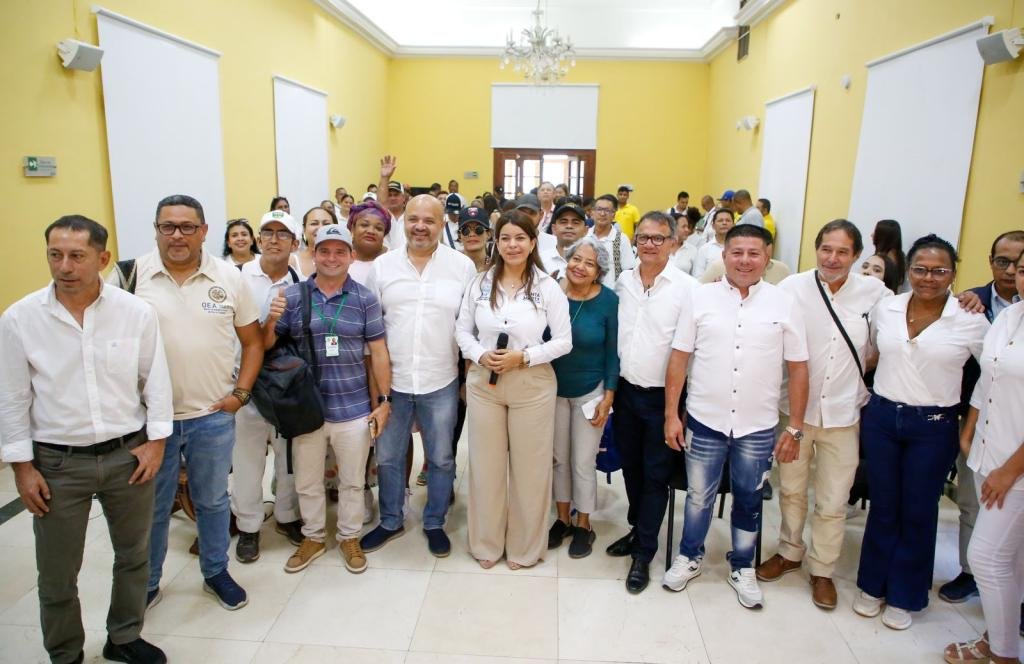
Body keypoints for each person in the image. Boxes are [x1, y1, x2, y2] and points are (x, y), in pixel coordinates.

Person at [0, 215, 173, 664]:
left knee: (134, 556)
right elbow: (13, 398)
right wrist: (22, 466)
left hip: (127, 456)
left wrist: (156, 443)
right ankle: (65, 654)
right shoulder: (20, 319)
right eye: (55, 255)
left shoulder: (134, 313)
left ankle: (124, 636)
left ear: (103, 258)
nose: (65, 267)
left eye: (77, 256)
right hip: (58, 464)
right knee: (57, 574)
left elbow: (155, 381)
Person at [111, 195, 263, 612]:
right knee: (153, 507)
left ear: (204, 231)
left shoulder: (229, 277)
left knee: (212, 501)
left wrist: (240, 395)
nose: (177, 235)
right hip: (148, 424)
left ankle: (215, 572)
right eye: (167, 226)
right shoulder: (129, 276)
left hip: (211, 416)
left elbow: (252, 343)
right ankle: (149, 581)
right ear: (157, 229)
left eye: (187, 226)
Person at [662, 224, 809, 610]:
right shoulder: (700, 298)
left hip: (756, 427)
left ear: (767, 256)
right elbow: (679, 359)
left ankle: (742, 565)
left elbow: (798, 369)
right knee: (697, 497)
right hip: (704, 420)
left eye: (753, 253)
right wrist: (671, 416)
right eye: (736, 252)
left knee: (749, 498)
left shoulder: (783, 303)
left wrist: (795, 427)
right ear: (723, 255)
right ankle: (689, 556)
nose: (745, 260)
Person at [854, 234, 988, 630]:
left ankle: (905, 595)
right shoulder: (888, 307)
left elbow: (995, 370)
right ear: (908, 270)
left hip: (933, 427)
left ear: (953, 274)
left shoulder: (970, 318)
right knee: (883, 505)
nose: (929, 278)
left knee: (918, 510)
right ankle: (872, 585)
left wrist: (975, 421)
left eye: (939, 271)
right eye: (920, 269)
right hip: (882, 418)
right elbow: (873, 353)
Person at [755, 220, 891, 610]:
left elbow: (887, 340)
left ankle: (823, 569)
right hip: (794, 413)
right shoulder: (792, 289)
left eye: (843, 252)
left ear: (857, 256)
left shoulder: (874, 293)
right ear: (816, 250)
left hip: (844, 414)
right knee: (792, 488)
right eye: (826, 249)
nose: (833, 258)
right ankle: (789, 552)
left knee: (833, 498)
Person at [264, 224, 392, 574]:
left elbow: (379, 352)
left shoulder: (365, 299)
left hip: (353, 409)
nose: (332, 258)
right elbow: (264, 348)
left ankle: (349, 536)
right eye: (324, 251)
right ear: (312, 255)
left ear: (351, 256)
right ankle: (314, 537)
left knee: (353, 480)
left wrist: (384, 400)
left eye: (340, 251)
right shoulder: (292, 297)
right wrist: (270, 320)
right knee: (307, 482)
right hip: (307, 410)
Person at [360, 195, 476, 558]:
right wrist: (374, 391)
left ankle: (435, 521)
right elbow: (370, 333)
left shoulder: (461, 267)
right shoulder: (382, 267)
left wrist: (465, 381)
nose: (420, 226)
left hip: (441, 379)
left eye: (429, 220)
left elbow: (470, 325)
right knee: (389, 457)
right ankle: (391, 519)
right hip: (391, 382)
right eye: (414, 219)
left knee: (441, 458)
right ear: (403, 222)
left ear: (443, 224)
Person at [455, 210, 572, 569]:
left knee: (530, 469)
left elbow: (564, 342)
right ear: (496, 242)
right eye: (505, 238)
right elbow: (462, 332)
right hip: (484, 383)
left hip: (532, 384)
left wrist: (523, 357)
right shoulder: (479, 283)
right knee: (486, 467)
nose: (512, 245)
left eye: (520, 238)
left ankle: (524, 548)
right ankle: (487, 544)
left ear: (533, 242)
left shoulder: (547, 286)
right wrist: (479, 354)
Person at [606, 211, 698, 594]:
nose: (649, 244)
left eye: (658, 238)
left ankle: (644, 553)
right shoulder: (622, 281)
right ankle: (636, 528)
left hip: (665, 398)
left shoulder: (687, 289)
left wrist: (674, 412)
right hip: (625, 392)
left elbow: (687, 351)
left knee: (656, 477)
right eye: (642, 237)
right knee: (631, 469)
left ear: (673, 243)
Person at [943, 250, 1024, 664]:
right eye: (1022, 269)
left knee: (986, 556)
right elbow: (985, 379)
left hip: (1016, 467)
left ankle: (1004, 654)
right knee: (1011, 558)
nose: (1019, 276)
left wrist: (1010, 470)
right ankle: (998, 638)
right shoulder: (1009, 318)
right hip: (987, 450)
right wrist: (970, 431)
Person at [231, 210, 305, 563]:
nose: (275, 239)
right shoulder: (236, 277)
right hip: (245, 383)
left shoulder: (301, 281)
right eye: (268, 232)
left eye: (283, 233)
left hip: (285, 383)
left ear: (295, 242)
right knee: (246, 458)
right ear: (259, 239)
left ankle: (288, 516)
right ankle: (248, 526)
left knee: (288, 456)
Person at [548, 236, 619, 559]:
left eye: (589, 263)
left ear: (599, 271)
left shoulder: (608, 301)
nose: (580, 266)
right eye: (576, 259)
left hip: (591, 392)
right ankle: (562, 518)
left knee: (582, 462)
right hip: (551, 391)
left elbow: (612, 353)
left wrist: (609, 395)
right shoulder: (551, 292)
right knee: (559, 459)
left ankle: (584, 524)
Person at [698, 234, 791, 285]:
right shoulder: (718, 268)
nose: (745, 261)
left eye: (767, 258)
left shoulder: (782, 270)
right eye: (753, 254)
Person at [588, 193, 636, 288]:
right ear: (592, 213)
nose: (602, 214)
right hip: (585, 294)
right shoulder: (584, 236)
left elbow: (629, 270)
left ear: (613, 214)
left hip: (613, 295)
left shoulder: (621, 239)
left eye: (607, 210)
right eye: (599, 209)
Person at [347, 200, 391, 285]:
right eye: (364, 225)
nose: (371, 231)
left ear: (384, 234)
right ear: (352, 228)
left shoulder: (393, 260)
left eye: (378, 228)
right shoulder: (338, 257)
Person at [541, 202, 588, 278]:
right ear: (554, 229)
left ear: (585, 231)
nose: (569, 226)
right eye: (563, 222)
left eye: (575, 222)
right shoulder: (541, 260)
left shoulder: (592, 262)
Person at [692, 208, 734, 279]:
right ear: (713, 226)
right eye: (720, 221)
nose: (724, 223)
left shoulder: (741, 249)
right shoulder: (704, 249)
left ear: (733, 225)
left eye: (728, 220)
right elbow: (697, 277)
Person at [296, 206, 338, 277]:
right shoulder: (291, 262)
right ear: (304, 229)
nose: (320, 228)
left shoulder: (344, 261)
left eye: (326, 224)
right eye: (314, 223)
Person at [377, 155, 409, 249]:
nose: (392, 198)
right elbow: (380, 204)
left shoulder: (411, 216)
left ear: (403, 198)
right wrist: (384, 177)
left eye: (396, 195)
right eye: (389, 195)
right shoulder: (382, 215)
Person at [871, 219, 906, 288]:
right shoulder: (902, 258)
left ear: (882, 236)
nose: (872, 235)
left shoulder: (881, 260)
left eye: (875, 232)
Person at [458, 206, 492, 272]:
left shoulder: (496, 268)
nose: (472, 234)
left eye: (478, 229)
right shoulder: (450, 266)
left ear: (488, 234)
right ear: (459, 236)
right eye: (466, 230)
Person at [669, 211, 697, 275]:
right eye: (683, 226)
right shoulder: (660, 248)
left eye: (687, 227)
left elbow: (696, 277)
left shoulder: (692, 250)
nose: (687, 230)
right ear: (672, 228)